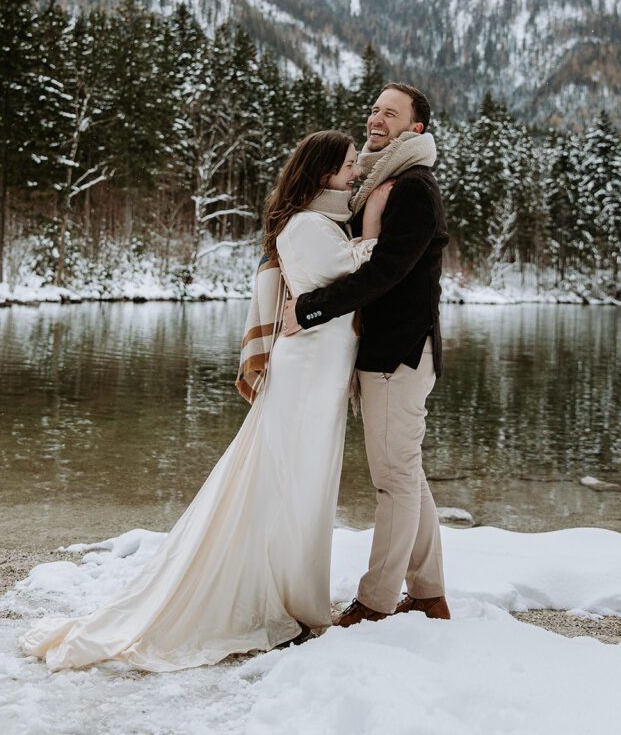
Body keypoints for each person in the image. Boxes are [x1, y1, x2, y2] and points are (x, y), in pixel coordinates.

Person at [19, 131, 391, 671]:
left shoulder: (324, 222)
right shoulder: (308, 226)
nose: (356, 173)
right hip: (306, 376)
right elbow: (351, 271)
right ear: (322, 170)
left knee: (305, 486)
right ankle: (275, 594)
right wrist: (377, 229)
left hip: (321, 377)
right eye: (351, 165)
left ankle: (292, 589)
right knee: (289, 484)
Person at [284, 84, 451, 626]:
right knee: (408, 474)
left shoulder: (413, 189)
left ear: (415, 129)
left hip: (396, 356)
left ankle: (376, 603)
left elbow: (384, 273)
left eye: (391, 113)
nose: (377, 118)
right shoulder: (381, 184)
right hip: (388, 353)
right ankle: (428, 595)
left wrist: (309, 309)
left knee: (394, 481)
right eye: (375, 109)